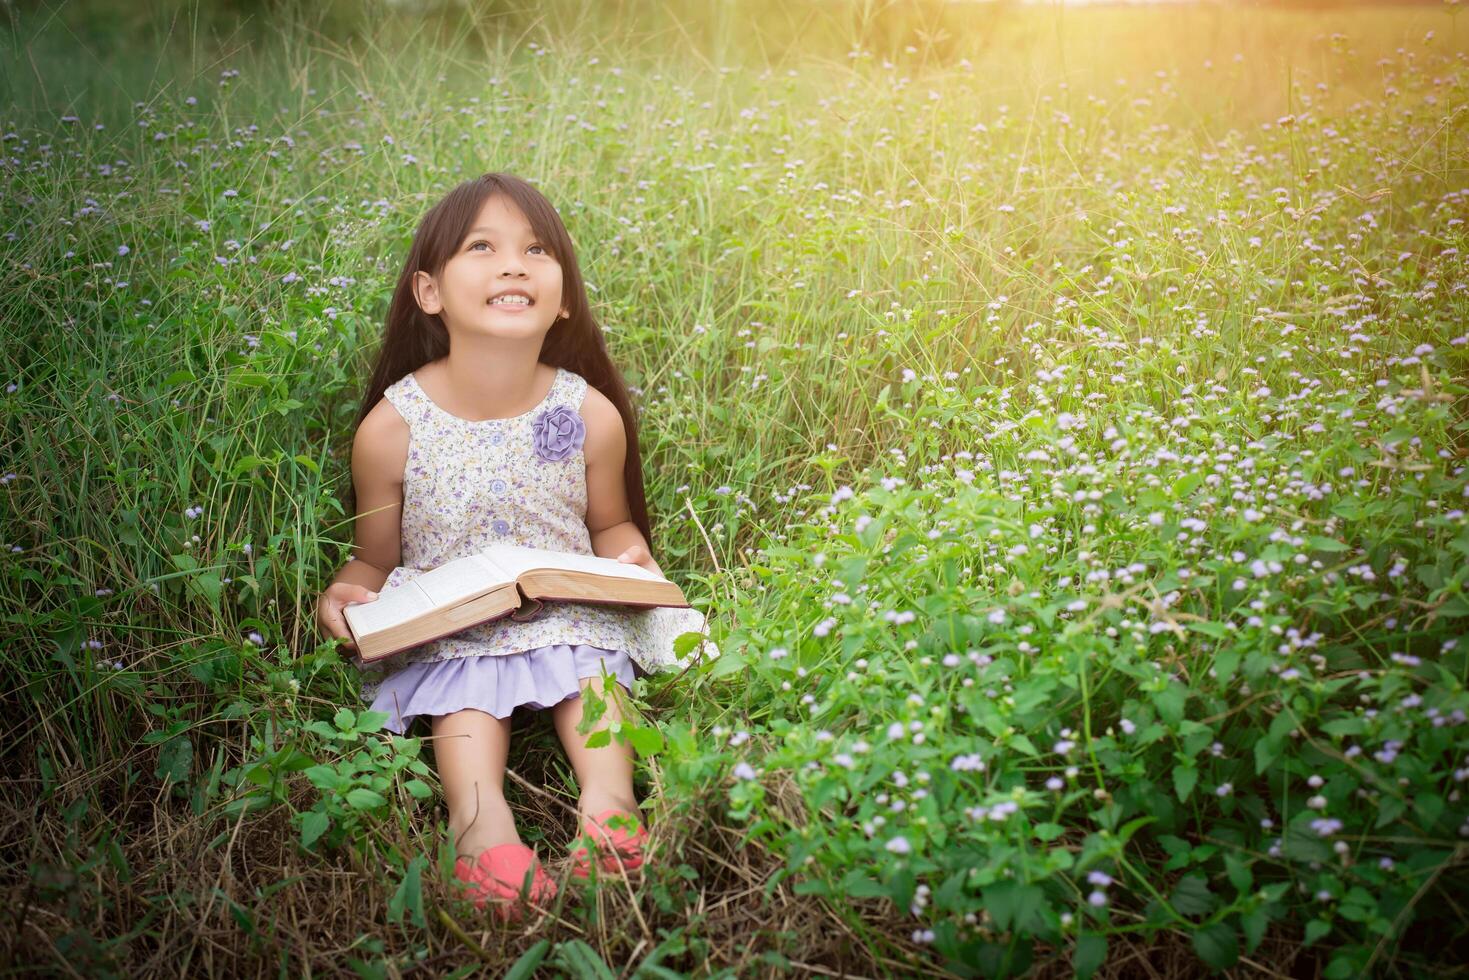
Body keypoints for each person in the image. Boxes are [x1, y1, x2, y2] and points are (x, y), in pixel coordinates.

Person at [314, 172, 672, 922]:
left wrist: (630, 554)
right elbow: (374, 556)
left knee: (593, 672)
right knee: (464, 687)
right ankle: (481, 829)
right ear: (429, 292)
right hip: (456, 610)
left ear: (563, 294)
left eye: (536, 249)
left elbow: (607, 524)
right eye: (483, 246)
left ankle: (611, 810)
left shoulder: (586, 411)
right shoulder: (393, 426)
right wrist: (349, 594)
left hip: (565, 600)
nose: (513, 264)